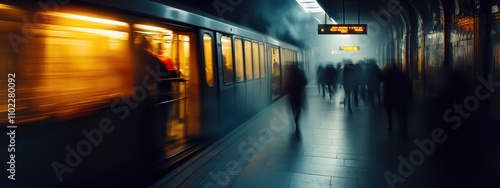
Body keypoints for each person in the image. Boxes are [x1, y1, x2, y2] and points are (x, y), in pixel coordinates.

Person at [285, 63, 307, 138]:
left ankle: (295, 122)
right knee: (298, 110)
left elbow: (286, 86)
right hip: (299, 95)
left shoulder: (289, 75)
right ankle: (297, 123)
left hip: (292, 96)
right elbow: (305, 83)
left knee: (293, 110)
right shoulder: (301, 73)